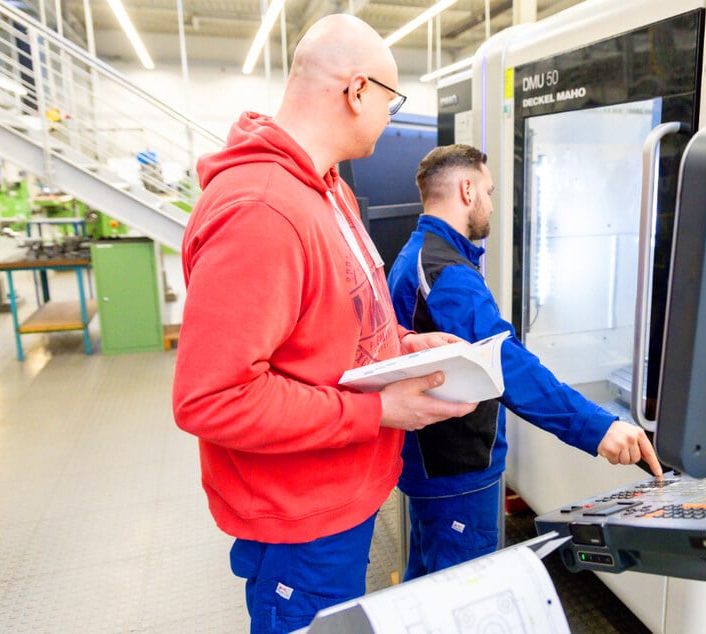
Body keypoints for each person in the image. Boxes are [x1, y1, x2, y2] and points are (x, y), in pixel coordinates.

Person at [171, 16, 477, 633]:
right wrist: (376, 412)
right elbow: (212, 397)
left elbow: (332, 322)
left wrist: (404, 346)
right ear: (357, 90)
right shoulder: (260, 208)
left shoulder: (325, 187)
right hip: (300, 521)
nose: (393, 114)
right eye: (392, 98)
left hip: (340, 496)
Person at [387, 144, 664, 580]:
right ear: (466, 189)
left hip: (433, 466)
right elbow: (506, 364)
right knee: (462, 598)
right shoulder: (446, 271)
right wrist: (599, 427)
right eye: (490, 191)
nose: (492, 206)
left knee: (426, 589)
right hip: (456, 471)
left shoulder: (420, 253)